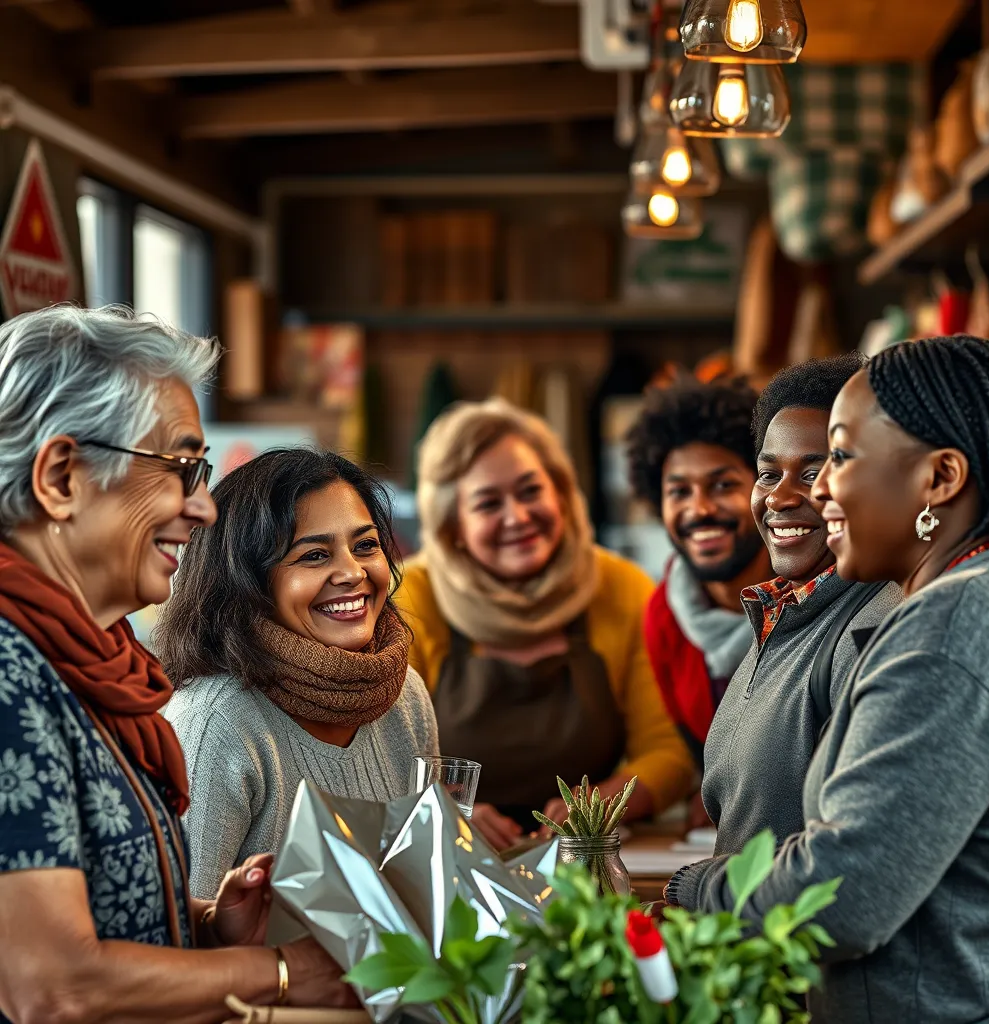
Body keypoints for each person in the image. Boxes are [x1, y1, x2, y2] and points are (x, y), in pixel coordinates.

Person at [0, 305, 353, 1024]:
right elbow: (51, 984)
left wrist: (204, 928)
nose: (205, 509)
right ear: (62, 476)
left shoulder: (84, 656)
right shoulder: (10, 674)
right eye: (182, 469)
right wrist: (278, 971)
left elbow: (100, 920)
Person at [667, 335, 989, 1024]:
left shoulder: (953, 624)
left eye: (841, 457)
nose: (820, 488)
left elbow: (845, 895)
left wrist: (689, 893)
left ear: (940, 479)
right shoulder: (979, 600)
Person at [395, 397, 691, 853]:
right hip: (442, 857)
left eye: (531, 490)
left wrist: (603, 805)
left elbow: (670, 751)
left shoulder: (622, 588)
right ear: (453, 524)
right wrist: (442, 806)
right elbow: (381, 756)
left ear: (563, 495)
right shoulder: (411, 598)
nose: (517, 516)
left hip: (584, 857)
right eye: (488, 503)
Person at [159, 448, 438, 899]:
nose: (352, 572)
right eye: (313, 555)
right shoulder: (216, 723)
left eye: (366, 545)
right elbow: (178, 938)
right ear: (247, 581)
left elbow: (425, 885)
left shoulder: (404, 694)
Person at [683, 355, 902, 877]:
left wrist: (691, 889)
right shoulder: (779, 616)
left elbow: (857, 864)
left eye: (814, 471)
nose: (780, 497)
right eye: (767, 473)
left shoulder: (876, 626)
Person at [625, 376, 770, 824]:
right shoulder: (664, 615)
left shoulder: (815, 598)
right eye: (679, 491)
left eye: (723, 485)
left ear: (765, 489)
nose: (700, 509)